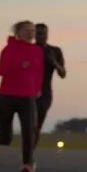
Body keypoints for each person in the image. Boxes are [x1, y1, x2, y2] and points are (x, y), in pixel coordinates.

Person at [0, 21, 44, 172]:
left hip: (28, 97)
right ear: (18, 32)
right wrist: (20, 65)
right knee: (7, 138)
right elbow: (1, 71)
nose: (31, 33)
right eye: (26, 30)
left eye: (32, 31)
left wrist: (37, 89)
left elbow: (39, 73)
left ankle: (27, 166)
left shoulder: (37, 51)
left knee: (29, 131)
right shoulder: (8, 49)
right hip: (7, 96)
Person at [32, 23, 66, 152]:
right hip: (29, 92)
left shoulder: (54, 51)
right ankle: (27, 154)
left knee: (37, 125)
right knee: (30, 124)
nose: (41, 36)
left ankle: (29, 153)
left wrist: (54, 62)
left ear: (47, 35)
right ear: (34, 35)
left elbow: (63, 74)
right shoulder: (29, 49)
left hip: (45, 93)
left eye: (43, 33)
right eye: (38, 33)